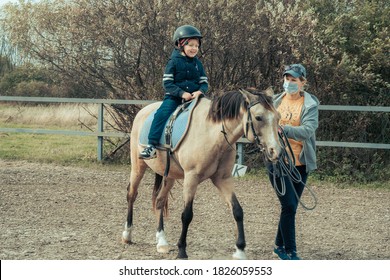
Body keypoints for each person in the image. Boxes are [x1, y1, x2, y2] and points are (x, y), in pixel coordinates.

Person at [269, 63, 319, 260]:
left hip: (300, 162)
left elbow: (308, 131)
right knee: (289, 206)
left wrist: (284, 129)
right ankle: (290, 252)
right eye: (287, 79)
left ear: (302, 82)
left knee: (290, 207)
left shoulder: (310, 105)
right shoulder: (274, 102)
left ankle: (278, 245)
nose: (289, 83)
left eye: (294, 80)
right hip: (277, 161)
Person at [139, 25, 209, 159]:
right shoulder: (173, 62)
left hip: (195, 98)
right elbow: (168, 83)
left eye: (197, 46)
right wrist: (182, 93)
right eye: (191, 45)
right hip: (174, 98)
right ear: (180, 44)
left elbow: (204, 83)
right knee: (161, 114)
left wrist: (200, 91)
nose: (194, 48)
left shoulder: (198, 64)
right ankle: (151, 146)